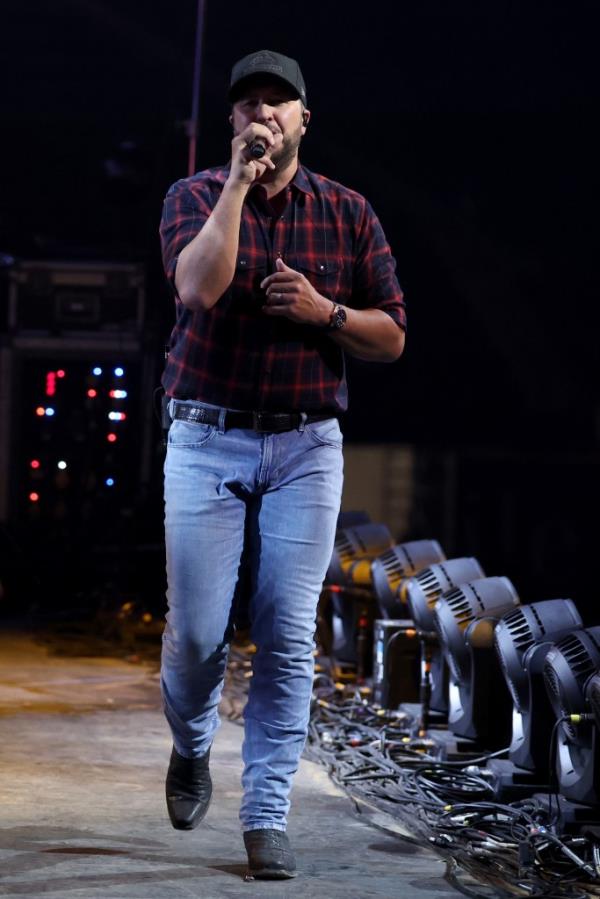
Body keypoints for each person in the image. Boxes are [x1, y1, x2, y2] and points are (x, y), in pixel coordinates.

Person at [159, 49, 406, 880]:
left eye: (278, 104)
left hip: (306, 444)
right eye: (247, 106)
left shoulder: (348, 211)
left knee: (287, 635)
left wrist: (325, 309)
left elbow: (393, 336)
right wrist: (235, 185)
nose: (262, 115)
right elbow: (198, 287)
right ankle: (192, 745)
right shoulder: (194, 196)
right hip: (206, 435)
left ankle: (266, 816)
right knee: (196, 633)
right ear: (233, 122)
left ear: (305, 117)